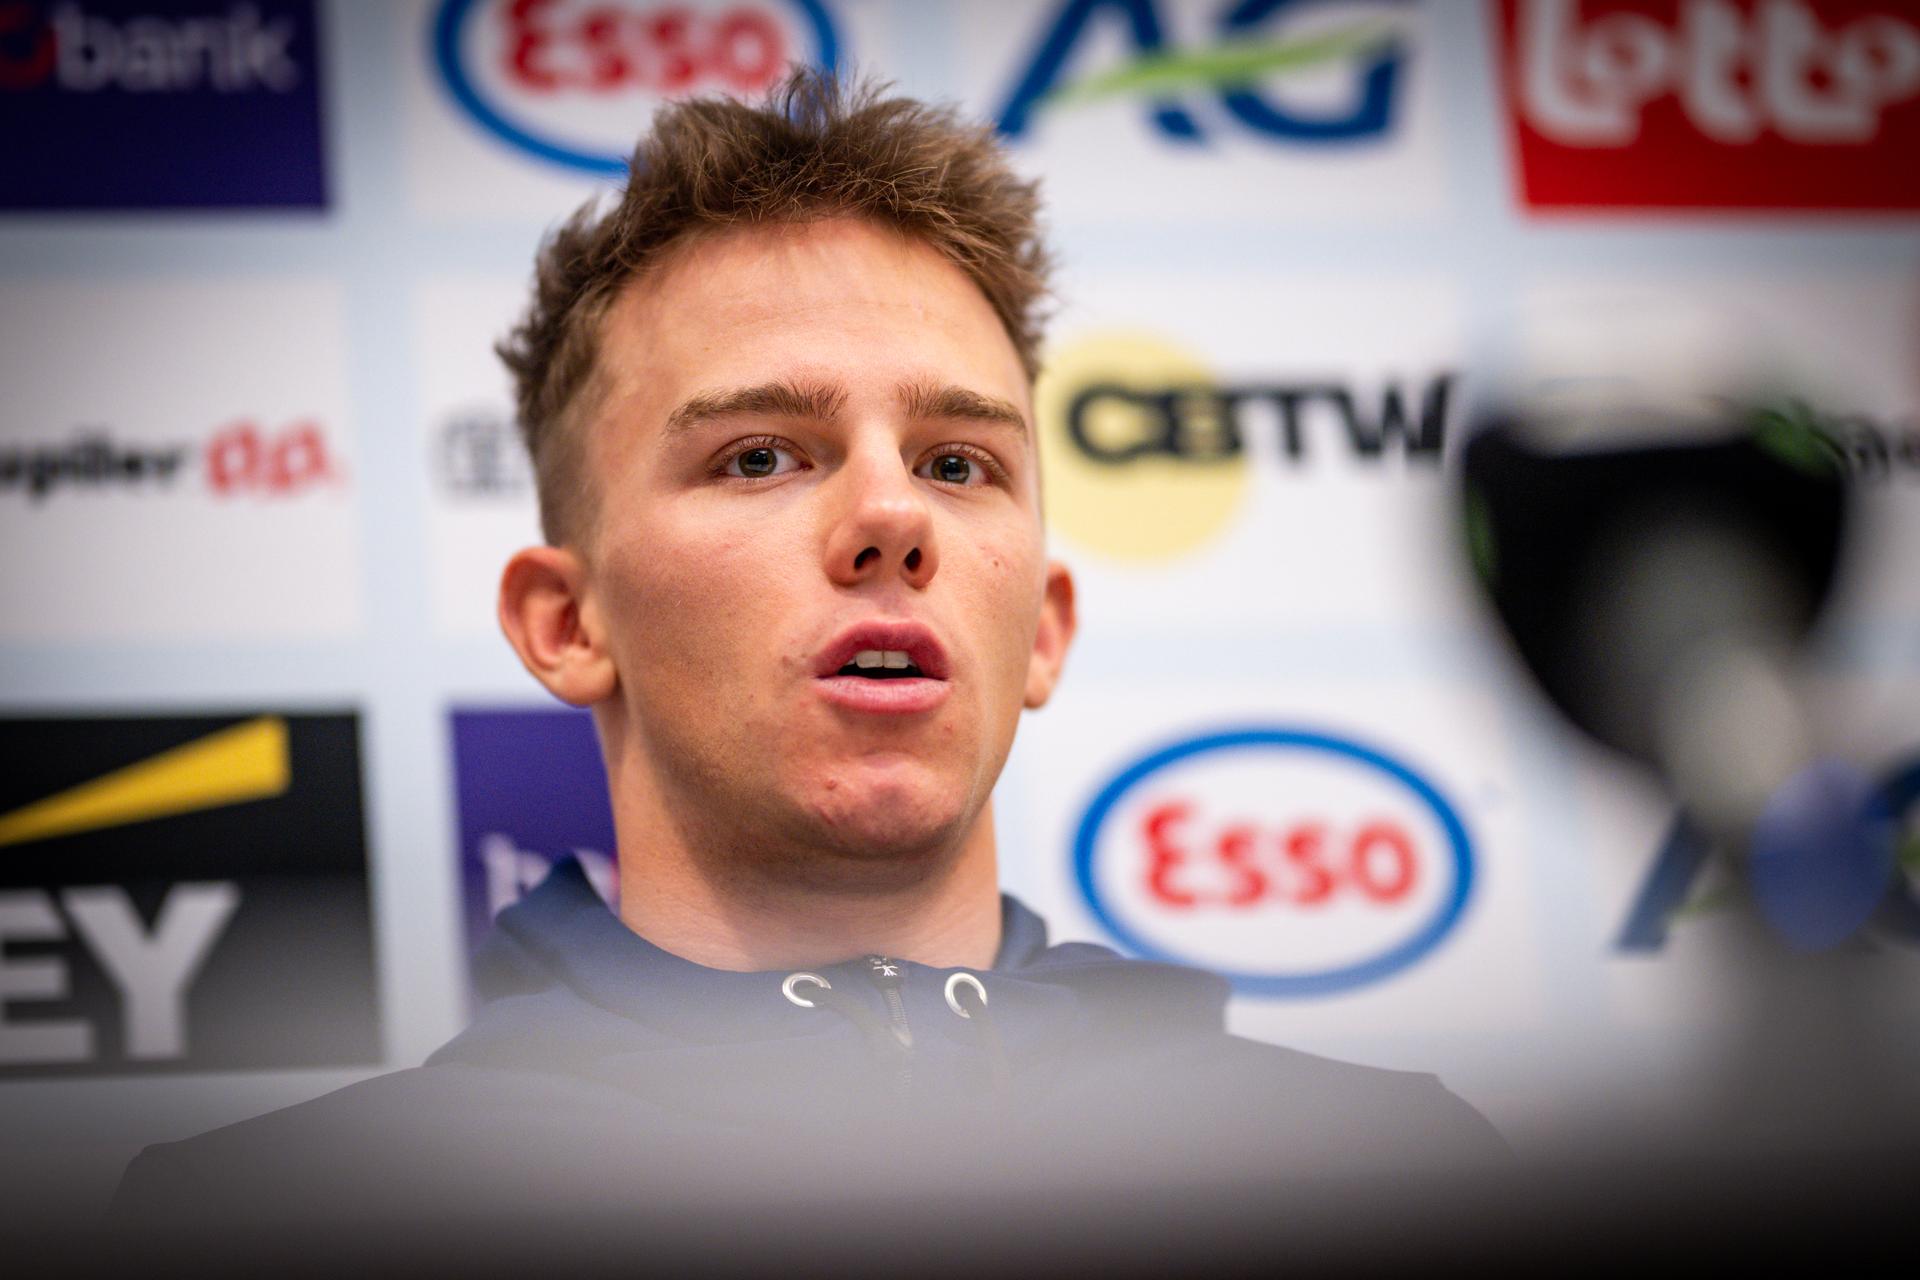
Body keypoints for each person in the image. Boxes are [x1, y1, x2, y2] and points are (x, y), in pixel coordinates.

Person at [110, 71, 1504, 1268]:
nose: (891, 516)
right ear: (565, 624)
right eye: (761, 455)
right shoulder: (260, 1222)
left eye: (958, 463)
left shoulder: (1393, 1173)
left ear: (1045, 630)